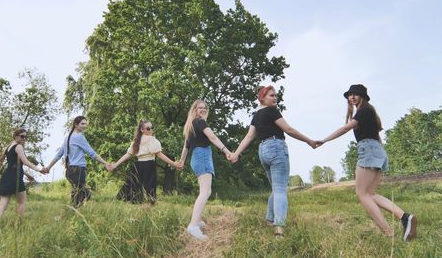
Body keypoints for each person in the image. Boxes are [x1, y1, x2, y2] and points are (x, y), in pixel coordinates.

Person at [317, 84, 417, 241]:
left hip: (369, 150)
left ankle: (388, 233)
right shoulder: (368, 112)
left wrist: (324, 140)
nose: (352, 97)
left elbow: (345, 129)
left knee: (362, 194)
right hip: (376, 150)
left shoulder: (364, 111)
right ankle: (405, 217)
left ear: (362, 96)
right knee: (370, 194)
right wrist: (382, 156)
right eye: (350, 95)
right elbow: (377, 138)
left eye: (356, 94)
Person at [229, 86, 317, 238]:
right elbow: (288, 129)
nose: (275, 98)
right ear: (262, 98)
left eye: (276, 95)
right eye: (271, 95)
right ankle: (279, 230)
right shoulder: (272, 111)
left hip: (263, 150)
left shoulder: (256, 115)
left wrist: (236, 153)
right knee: (281, 190)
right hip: (276, 147)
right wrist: (309, 140)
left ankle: (270, 219)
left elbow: (249, 137)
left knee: (276, 188)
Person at [177, 100, 234, 241]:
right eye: (199, 108)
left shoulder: (190, 125)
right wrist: (226, 151)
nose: (202, 110)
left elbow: (186, 147)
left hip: (196, 157)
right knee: (206, 192)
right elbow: (212, 137)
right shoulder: (200, 122)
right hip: (202, 156)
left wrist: (182, 161)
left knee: (203, 191)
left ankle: (197, 219)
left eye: (205, 108)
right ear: (194, 110)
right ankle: (193, 226)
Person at [42, 116, 112, 208]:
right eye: (82, 124)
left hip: (69, 171)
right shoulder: (79, 137)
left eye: (86, 124)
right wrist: (105, 163)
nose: (85, 126)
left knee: (77, 194)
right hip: (78, 170)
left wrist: (48, 167)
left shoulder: (67, 137)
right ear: (76, 125)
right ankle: (75, 211)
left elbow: (59, 155)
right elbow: (91, 153)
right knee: (82, 194)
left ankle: (73, 213)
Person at [109, 119, 184, 204]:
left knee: (143, 188)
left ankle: (146, 206)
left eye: (152, 127)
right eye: (148, 128)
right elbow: (129, 154)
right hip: (146, 165)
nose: (151, 130)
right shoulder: (143, 141)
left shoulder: (143, 141)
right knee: (142, 187)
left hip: (142, 165)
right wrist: (173, 164)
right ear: (142, 130)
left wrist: (174, 164)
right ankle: (145, 205)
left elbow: (129, 154)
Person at [0, 128, 44, 223]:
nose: (24, 139)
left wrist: (27, 174)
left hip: (7, 176)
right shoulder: (19, 147)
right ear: (16, 136)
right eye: (22, 136)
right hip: (15, 178)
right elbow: (25, 162)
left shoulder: (8, 147)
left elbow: (12, 165)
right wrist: (39, 169)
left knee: (2, 205)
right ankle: (18, 224)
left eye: (26, 137)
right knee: (21, 202)